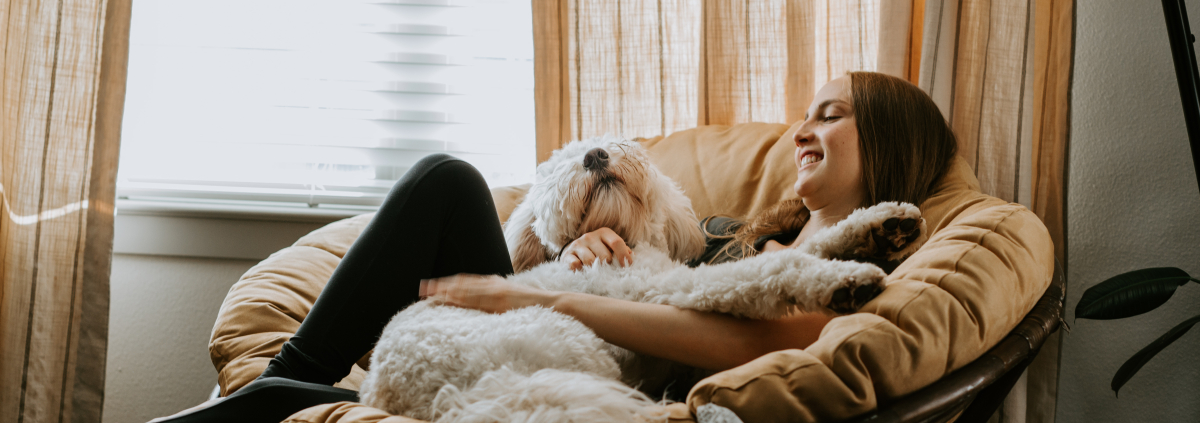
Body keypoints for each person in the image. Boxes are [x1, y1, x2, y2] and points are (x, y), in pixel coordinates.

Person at [153, 71, 958, 423]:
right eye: (807, 116)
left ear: (887, 147)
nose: (802, 130)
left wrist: (536, 293)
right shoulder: (736, 230)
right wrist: (578, 245)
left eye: (831, 114)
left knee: (442, 183)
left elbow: (738, 337)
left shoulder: (860, 265)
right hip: (549, 323)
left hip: (573, 358)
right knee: (448, 181)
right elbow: (653, 259)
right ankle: (293, 380)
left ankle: (279, 392)